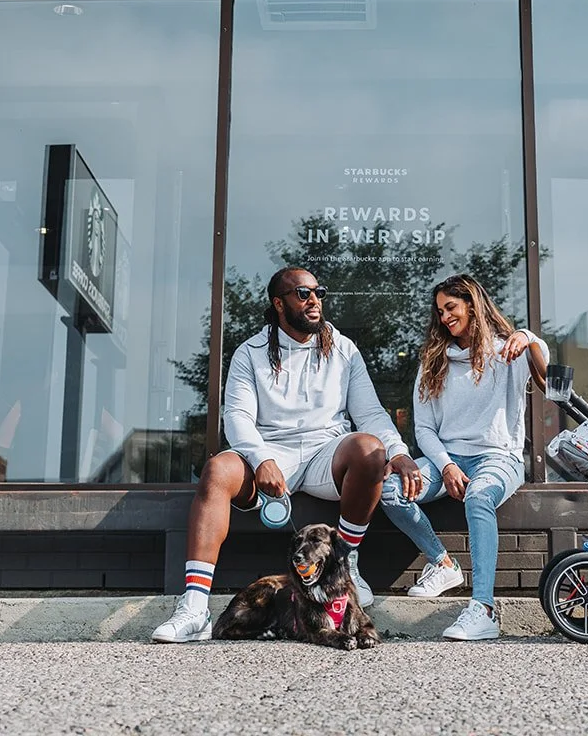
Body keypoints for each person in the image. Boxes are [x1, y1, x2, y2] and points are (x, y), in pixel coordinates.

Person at [152, 266, 425, 642]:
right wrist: (261, 459)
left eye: (319, 293)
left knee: (370, 450)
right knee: (217, 470)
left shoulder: (342, 349)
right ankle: (195, 608)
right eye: (303, 293)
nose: (314, 301)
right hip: (270, 452)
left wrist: (399, 452)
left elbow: (370, 414)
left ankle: (345, 565)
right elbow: (237, 417)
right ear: (279, 304)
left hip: (325, 454)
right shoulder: (250, 352)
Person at [379, 274, 548, 641]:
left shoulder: (507, 352)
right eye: (440, 311)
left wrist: (529, 337)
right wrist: (447, 466)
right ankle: (443, 563)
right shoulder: (433, 361)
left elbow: (546, 373)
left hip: (499, 458)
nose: (444, 317)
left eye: (451, 307)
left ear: (472, 305)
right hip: (447, 458)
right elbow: (424, 429)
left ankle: (483, 609)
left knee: (478, 496)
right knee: (390, 490)